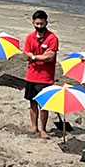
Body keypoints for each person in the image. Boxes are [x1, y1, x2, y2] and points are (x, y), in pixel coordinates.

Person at [23, 10, 58, 138]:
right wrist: (38, 57)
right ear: (33, 23)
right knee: (32, 102)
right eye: (37, 23)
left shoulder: (52, 38)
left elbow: (50, 57)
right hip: (31, 75)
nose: (39, 26)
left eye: (41, 23)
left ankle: (43, 129)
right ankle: (34, 126)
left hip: (46, 77)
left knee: (44, 104)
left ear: (46, 23)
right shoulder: (29, 38)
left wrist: (34, 57)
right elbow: (26, 54)